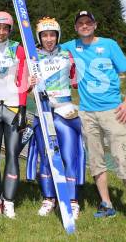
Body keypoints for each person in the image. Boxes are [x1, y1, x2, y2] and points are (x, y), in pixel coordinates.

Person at [61, 10, 126, 232]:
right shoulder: (70, 46)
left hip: (113, 111)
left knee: (124, 158)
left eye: (88, 22)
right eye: (80, 23)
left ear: (95, 24)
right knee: (96, 160)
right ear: (75, 27)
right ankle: (106, 203)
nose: (84, 26)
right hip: (87, 113)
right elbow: (48, 51)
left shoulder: (109, 45)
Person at [26, 17, 85, 220]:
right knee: (46, 156)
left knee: (69, 155)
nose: (49, 39)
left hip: (65, 109)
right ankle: (49, 198)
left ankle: (72, 200)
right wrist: (29, 83)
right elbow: (24, 86)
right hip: (42, 110)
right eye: (44, 35)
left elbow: (77, 82)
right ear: (39, 37)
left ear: (58, 36)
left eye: (52, 35)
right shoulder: (31, 57)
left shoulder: (68, 55)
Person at [0, 11, 29, 219]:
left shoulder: (18, 49)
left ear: (10, 30)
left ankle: (9, 201)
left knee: (12, 154)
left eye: (5, 28)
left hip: (11, 107)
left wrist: (22, 108)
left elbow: (24, 78)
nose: (1, 32)